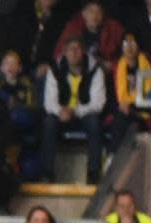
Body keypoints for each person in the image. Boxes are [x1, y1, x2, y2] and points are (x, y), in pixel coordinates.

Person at [41, 37, 106, 184]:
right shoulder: (55, 69)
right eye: (71, 50)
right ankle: (47, 173)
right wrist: (60, 111)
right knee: (49, 122)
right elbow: (49, 102)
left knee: (95, 122)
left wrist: (74, 111)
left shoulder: (95, 69)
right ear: (64, 52)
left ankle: (93, 174)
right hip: (62, 115)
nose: (75, 53)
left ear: (83, 52)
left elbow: (98, 103)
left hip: (84, 114)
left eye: (78, 49)